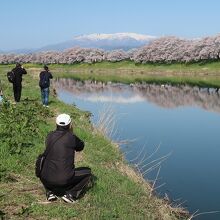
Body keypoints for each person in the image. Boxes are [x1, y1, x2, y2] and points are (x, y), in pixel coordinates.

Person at [40, 114, 92, 203]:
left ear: (56, 124)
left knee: (49, 168)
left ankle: (50, 192)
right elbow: (81, 146)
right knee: (88, 172)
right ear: (70, 124)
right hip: (63, 179)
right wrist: (71, 132)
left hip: (45, 178)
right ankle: (71, 194)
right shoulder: (71, 137)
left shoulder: (49, 136)